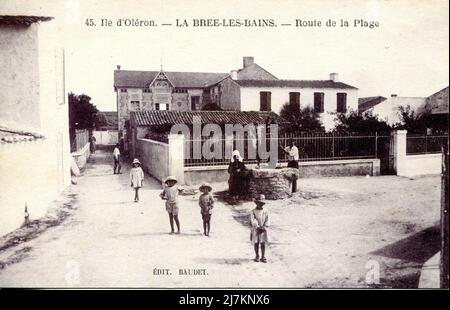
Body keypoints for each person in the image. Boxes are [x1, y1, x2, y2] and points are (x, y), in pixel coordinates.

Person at [250, 194, 269, 263]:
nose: (260, 205)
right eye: (259, 203)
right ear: (256, 203)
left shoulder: (265, 211)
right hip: (256, 229)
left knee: (263, 243)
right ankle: (257, 255)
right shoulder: (253, 211)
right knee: (256, 243)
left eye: (261, 204)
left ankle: (263, 256)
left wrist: (265, 226)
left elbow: (267, 219)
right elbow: (253, 220)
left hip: (263, 229)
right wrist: (257, 227)